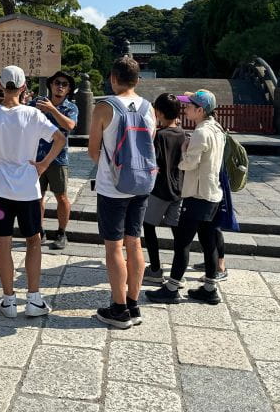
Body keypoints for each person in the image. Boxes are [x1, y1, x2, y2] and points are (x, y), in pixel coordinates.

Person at [0, 65, 66, 319]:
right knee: (34, 242)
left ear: (0, 85)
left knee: (3, 244)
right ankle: (34, 298)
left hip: (0, 188)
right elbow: (60, 138)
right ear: (23, 87)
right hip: (29, 188)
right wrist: (42, 164)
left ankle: (8, 299)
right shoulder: (32, 115)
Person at [88, 56, 156, 329]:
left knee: (114, 245)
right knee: (134, 242)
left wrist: (110, 168)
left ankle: (118, 309)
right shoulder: (149, 108)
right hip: (141, 184)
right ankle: (133, 303)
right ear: (138, 80)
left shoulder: (104, 107)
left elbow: (93, 150)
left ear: (113, 78)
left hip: (112, 186)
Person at [146, 89, 226, 305]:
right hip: (212, 194)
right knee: (208, 241)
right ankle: (210, 287)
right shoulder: (217, 128)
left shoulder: (200, 133)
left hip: (197, 194)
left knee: (182, 242)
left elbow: (189, 164)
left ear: (200, 110)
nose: (186, 108)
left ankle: (171, 288)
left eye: (190, 106)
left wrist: (184, 151)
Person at [30, 70, 78, 249]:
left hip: (59, 159)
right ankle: (39, 230)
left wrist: (52, 110)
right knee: (37, 197)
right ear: (50, 84)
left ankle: (61, 232)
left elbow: (70, 125)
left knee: (62, 197)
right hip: (36, 157)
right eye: (57, 82)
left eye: (65, 84)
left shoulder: (71, 107)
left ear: (68, 90)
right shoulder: (36, 103)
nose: (60, 86)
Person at [142, 93, 184, 285]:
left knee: (149, 226)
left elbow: (153, 163)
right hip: (179, 189)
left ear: (158, 112)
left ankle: (156, 268)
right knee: (178, 234)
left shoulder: (160, 136)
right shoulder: (184, 134)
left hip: (159, 190)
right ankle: (177, 273)